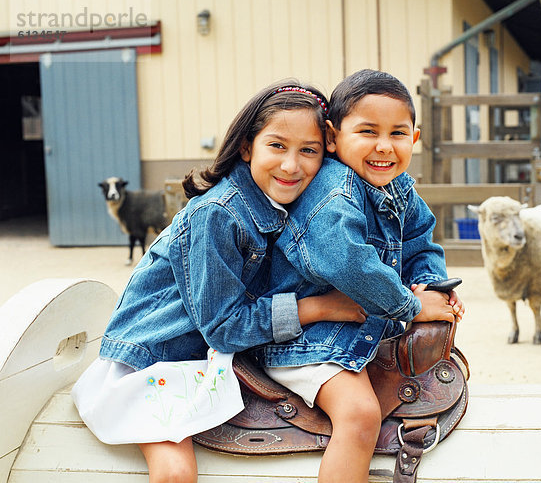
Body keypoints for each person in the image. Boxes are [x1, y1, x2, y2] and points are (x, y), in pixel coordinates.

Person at [71, 81, 368, 483]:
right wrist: (318, 307)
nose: (291, 165)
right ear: (247, 147)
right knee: (175, 473)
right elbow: (225, 327)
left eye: (308, 151)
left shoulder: (291, 205)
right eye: (277, 146)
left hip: (208, 350)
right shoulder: (217, 214)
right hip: (157, 355)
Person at [253, 69, 465, 483]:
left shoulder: (399, 187)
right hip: (310, 341)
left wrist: (432, 286)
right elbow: (348, 262)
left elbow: (421, 240)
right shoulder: (334, 191)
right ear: (332, 137)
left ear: (415, 139)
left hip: (359, 329)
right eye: (368, 131)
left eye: (398, 133)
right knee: (360, 414)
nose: (384, 146)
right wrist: (412, 306)